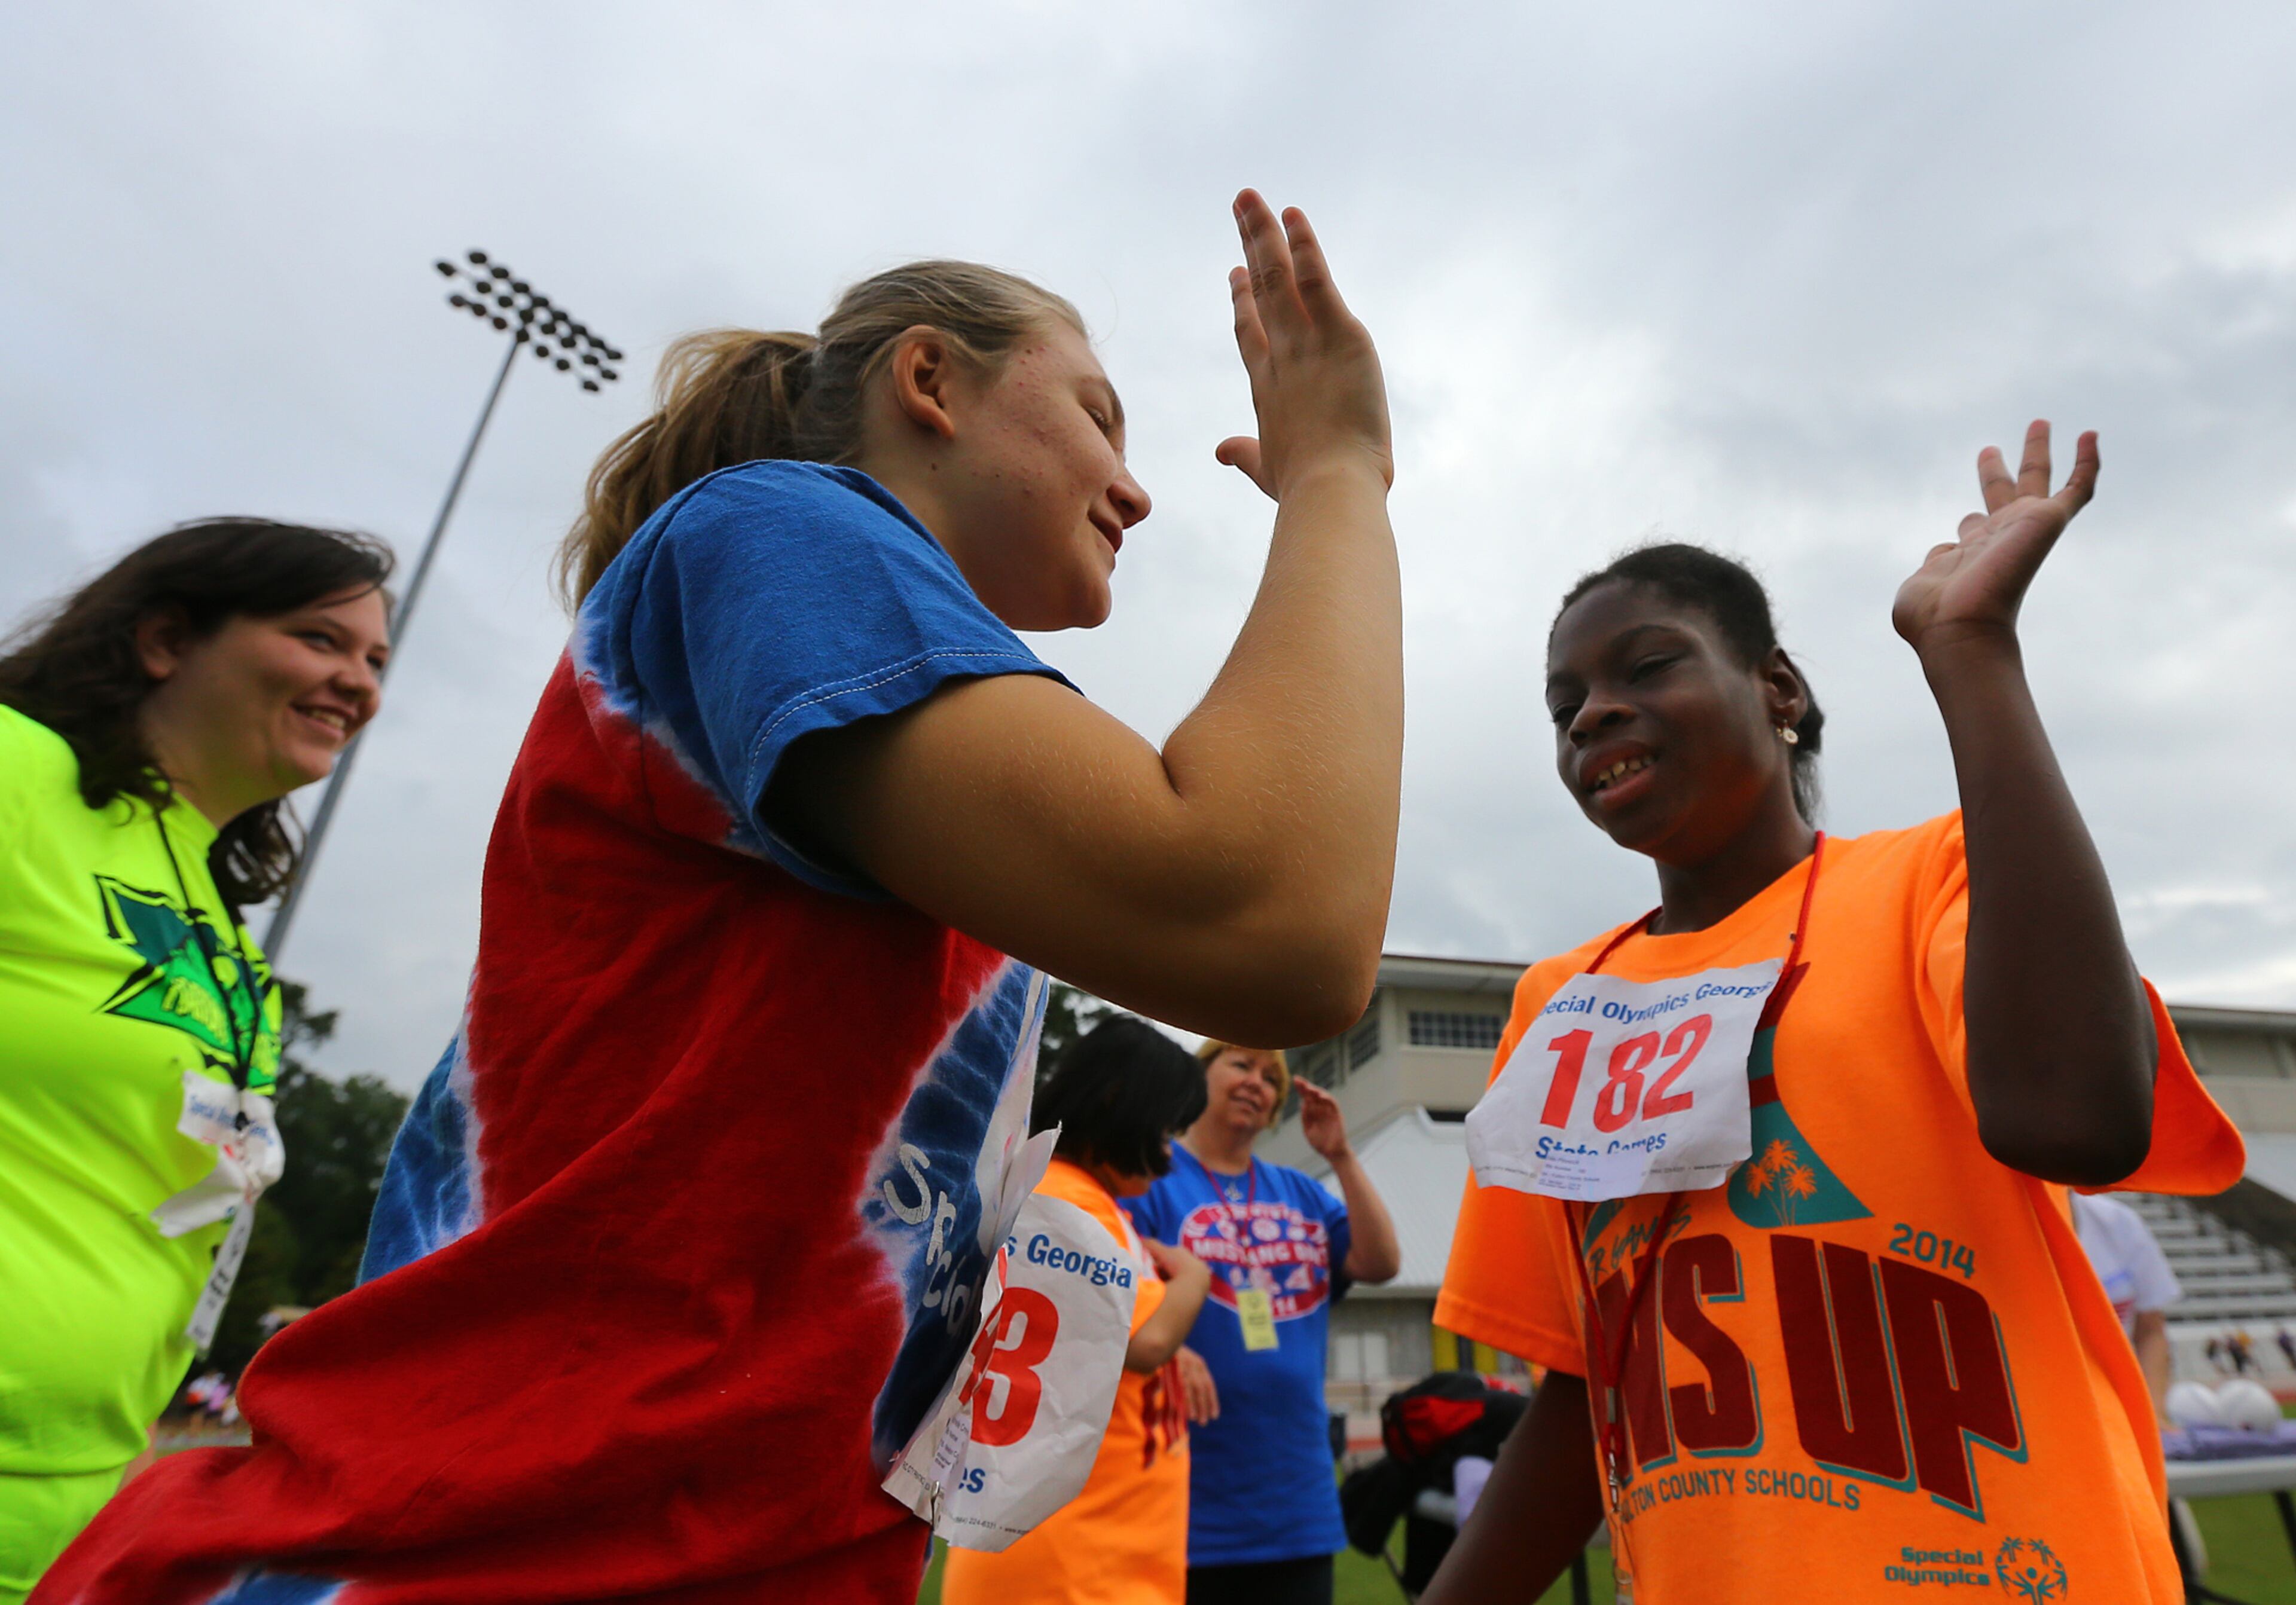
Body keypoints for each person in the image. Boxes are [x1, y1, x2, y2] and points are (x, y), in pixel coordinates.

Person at [38, 192, 1402, 1605]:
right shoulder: (778, 527)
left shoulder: (911, 745)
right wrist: (1336, 472)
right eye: (1097, 418)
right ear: (927, 380)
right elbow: (1277, 923)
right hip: (480, 1555)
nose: (1135, 486)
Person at [1426, 427, 2243, 1603]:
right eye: (1567, 703)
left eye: (1645, 667)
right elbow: (1585, 1381)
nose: (1593, 714)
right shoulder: (1558, 1002)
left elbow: (2078, 1120)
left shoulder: (1936, 879)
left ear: (1782, 688)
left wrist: (1972, 656)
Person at [0, 519, 392, 1604]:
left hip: (73, 1515)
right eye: (320, 639)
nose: (356, 682)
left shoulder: (227, 937)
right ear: (167, 639)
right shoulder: (18, 768)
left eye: (375, 662)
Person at [941, 1015, 1215, 1605]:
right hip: (1069, 1566)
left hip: (1094, 1554)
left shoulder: (1081, 1200)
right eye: (1167, 1129)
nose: (1170, 1151)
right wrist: (1194, 1278)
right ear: (1118, 1102)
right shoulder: (1070, 1203)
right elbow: (1144, 1344)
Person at [1125, 1041, 1403, 1605]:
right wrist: (1166, 1344)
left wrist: (1342, 1155)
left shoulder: (1300, 1190)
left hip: (1296, 1504)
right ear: (1199, 1078)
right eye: (1240, 1064)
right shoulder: (1151, 1181)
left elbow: (1380, 1263)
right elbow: (1110, 1287)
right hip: (1185, 1498)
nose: (1256, 1081)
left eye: (1270, 1076)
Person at [2070, 1190, 2181, 1416]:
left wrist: (2153, 1414)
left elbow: (2151, 1330)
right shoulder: (2000, 1228)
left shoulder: (2118, 1222)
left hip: (2112, 1407)